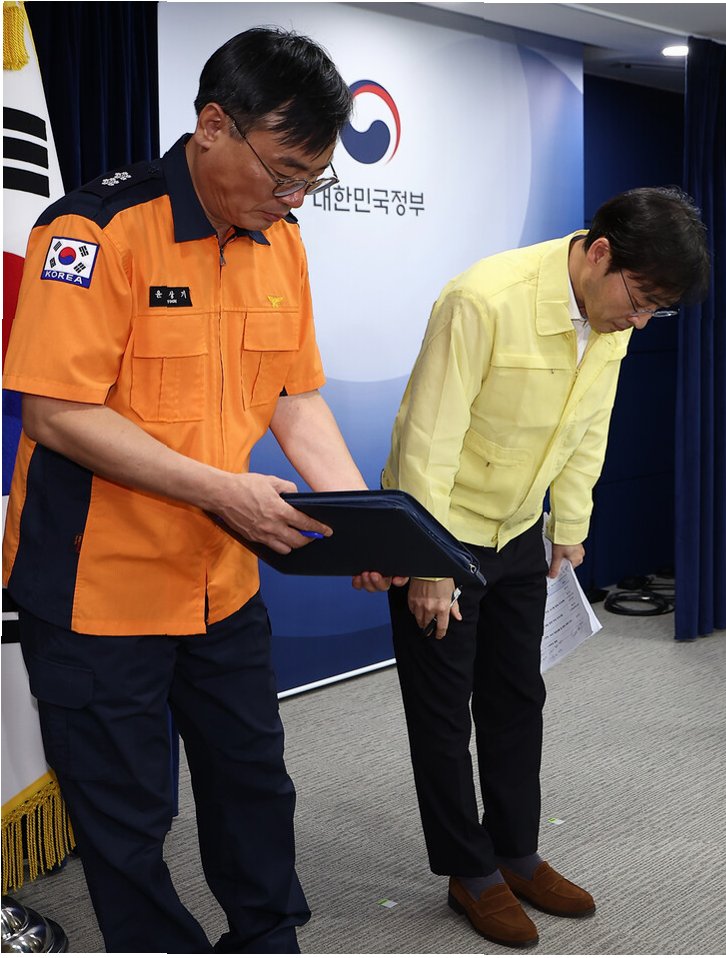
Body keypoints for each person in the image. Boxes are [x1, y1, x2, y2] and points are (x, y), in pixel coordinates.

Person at [1, 28, 401, 952]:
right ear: (214, 126)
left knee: (253, 783)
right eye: (284, 173)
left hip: (221, 580)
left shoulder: (280, 241)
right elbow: (59, 414)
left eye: (312, 181)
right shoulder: (95, 231)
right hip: (98, 590)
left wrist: (361, 522)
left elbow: (294, 396)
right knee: (128, 814)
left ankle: (268, 938)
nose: (293, 198)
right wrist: (224, 490)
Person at [382, 187, 710, 948]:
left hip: (523, 530)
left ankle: (515, 850)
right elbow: (426, 437)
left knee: (516, 695)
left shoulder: (610, 318)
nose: (640, 321)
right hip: (447, 532)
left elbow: (589, 426)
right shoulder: (482, 300)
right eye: (640, 300)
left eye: (657, 311)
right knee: (442, 712)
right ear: (600, 253)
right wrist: (427, 562)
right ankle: (468, 871)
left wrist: (570, 525)